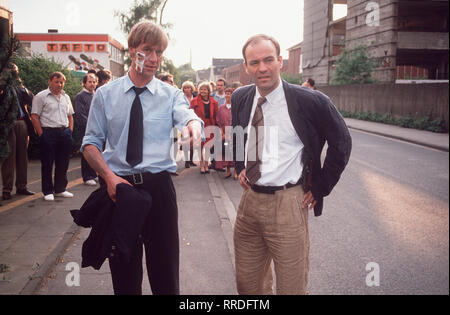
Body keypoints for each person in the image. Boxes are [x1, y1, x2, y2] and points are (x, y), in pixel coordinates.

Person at [81, 20, 202, 295]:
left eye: (160, 52)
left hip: (159, 190)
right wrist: (109, 178)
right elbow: (90, 143)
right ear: (132, 50)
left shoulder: (170, 95)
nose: (155, 59)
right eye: (148, 50)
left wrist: (193, 126)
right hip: (119, 190)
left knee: (165, 272)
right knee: (124, 274)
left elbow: (188, 116)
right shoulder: (105, 95)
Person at [232, 34, 352, 295]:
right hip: (249, 204)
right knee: (248, 286)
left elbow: (341, 142)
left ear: (280, 62)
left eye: (268, 60)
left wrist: (320, 187)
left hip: (288, 204)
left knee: (291, 288)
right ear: (246, 67)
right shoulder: (240, 97)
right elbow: (238, 132)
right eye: (254, 63)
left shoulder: (311, 101)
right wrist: (239, 165)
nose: (262, 68)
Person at [31, 72, 75, 201]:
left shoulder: (66, 97)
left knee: (63, 163)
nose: (59, 84)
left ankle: (60, 189)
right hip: (48, 133)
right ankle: (48, 191)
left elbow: (70, 115)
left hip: (64, 133)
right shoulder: (41, 97)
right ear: (50, 81)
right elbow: (34, 116)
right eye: (56, 81)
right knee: (47, 163)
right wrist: (42, 135)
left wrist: (69, 131)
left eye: (61, 82)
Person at [1, 64, 35, 200]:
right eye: (12, 71)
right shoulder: (3, 86)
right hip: (7, 123)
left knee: (22, 156)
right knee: (9, 157)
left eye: (16, 72)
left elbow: (31, 98)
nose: (14, 74)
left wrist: (22, 87)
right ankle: (7, 189)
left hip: (21, 122)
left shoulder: (19, 87)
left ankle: (22, 186)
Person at [74, 73, 98, 186]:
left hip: (96, 129)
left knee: (96, 152)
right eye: (90, 82)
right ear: (84, 83)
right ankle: (87, 176)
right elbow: (80, 114)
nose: (92, 84)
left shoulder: (96, 95)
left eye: (94, 82)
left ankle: (93, 174)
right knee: (87, 151)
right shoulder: (80, 96)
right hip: (86, 129)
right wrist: (91, 125)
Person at [190, 81, 218, 174]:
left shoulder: (214, 102)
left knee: (208, 146)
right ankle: (202, 165)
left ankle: (207, 164)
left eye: (205, 89)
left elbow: (215, 115)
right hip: (199, 125)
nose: (202, 91)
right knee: (200, 146)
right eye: (201, 89)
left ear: (208, 91)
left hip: (210, 125)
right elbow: (191, 114)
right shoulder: (194, 101)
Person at [215, 87, 236, 179]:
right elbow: (218, 122)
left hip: (234, 133)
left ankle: (236, 171)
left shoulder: (236, 108)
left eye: (230, 93)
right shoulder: (221, 108)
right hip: (224, 134)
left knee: (235, 152)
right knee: (226, 152)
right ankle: (228, 171)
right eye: (226, 93)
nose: (228, 95)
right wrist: (222, 134)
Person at [181, 81, 196, 168]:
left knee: (193, 141)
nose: (187, 89)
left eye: (188, 87)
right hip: (185, 121)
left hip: (194, 120)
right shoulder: (181, 98)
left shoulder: (195, 97)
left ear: (191, 88)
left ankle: (191, 160)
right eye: (185, 88)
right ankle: (186, 161)